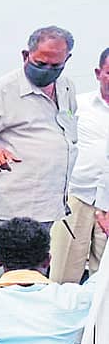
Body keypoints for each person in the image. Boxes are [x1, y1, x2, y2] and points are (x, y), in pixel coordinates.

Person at [0, 26, 78, 286]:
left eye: (55, 66)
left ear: (67, 60)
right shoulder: (5, 89)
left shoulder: (67, 87)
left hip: (47, 206)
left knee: (34, 281)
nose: (47, 70)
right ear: (26, 55)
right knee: (1, 280)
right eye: (40, 64)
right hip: (10, 207)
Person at [51, 47, 109, 283]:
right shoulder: (78, 105)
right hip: (77, 197)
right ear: (98, 73)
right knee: (63, 275)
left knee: (104, 283)